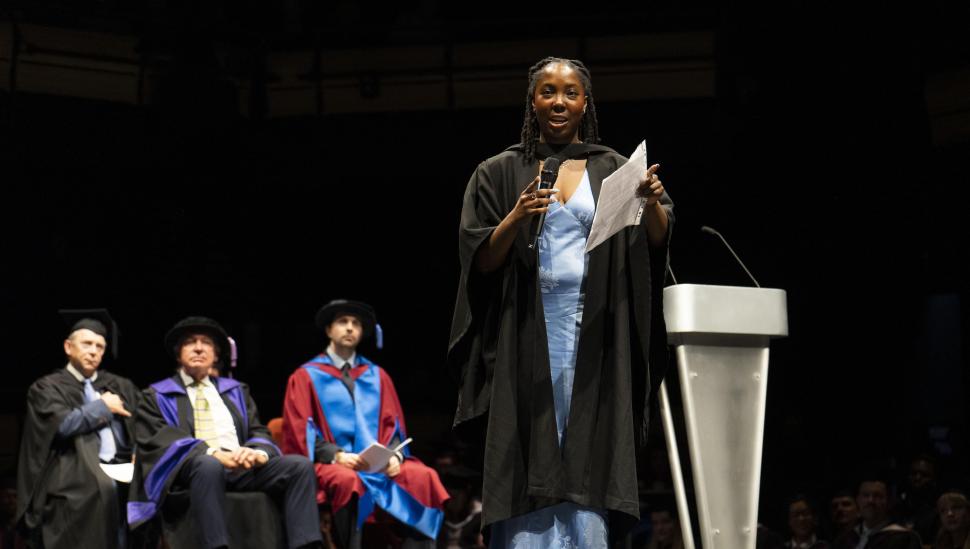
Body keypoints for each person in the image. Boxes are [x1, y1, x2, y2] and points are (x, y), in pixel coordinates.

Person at [447, 56, 674, 547]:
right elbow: (479, 261)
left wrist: (653, 200)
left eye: (570, 93)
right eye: (547, 91)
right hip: (526, 332)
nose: (559, 102)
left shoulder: (614, 168)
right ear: (532, 101)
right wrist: (514, 218)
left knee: (589, 447)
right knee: (528, 445)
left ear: (585, 103)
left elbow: (656, 241)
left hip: (595, 333)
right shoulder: (498, 171)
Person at [127, 316, 322, 549]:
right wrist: (213, 454)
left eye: (206, 343)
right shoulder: (156, 396)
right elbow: (159, 439)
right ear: (178, 355)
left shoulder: (236, 391)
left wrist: (257, 453)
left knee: (299, 466)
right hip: (191, 472)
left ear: (216, 355)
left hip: (240, 466)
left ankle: (306, 545)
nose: (199, 348)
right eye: (190, 342)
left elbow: (258, 430)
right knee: (209, 464)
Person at [282, 300, 449, 549]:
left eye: (356, 323)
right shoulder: (305, 376)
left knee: (422, 476)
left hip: (376, 464)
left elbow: (394, 426)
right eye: (343, 322)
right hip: (332, 464)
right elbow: (300, 432)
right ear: (328, 330)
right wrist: (337, 455)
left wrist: (395, 457)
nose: (350, 328)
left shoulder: (377, 376)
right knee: (348, 481)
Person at [16, 309, 139, 549]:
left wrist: (137, 452)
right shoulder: (47, 388)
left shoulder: (120, 386)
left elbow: (141, 424)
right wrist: (102, 407)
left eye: (99, 346)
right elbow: (62, 425)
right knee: (94, 492)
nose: (93, 351)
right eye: (87, 344)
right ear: (68, 347)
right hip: (71, 475)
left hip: (122, 472)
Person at [832, 477, 921, 549]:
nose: (870, 501)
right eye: (865, 495)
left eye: (877, 496)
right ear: (858, 500)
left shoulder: (903, 538)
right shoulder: (846, 538)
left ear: (889, 502)